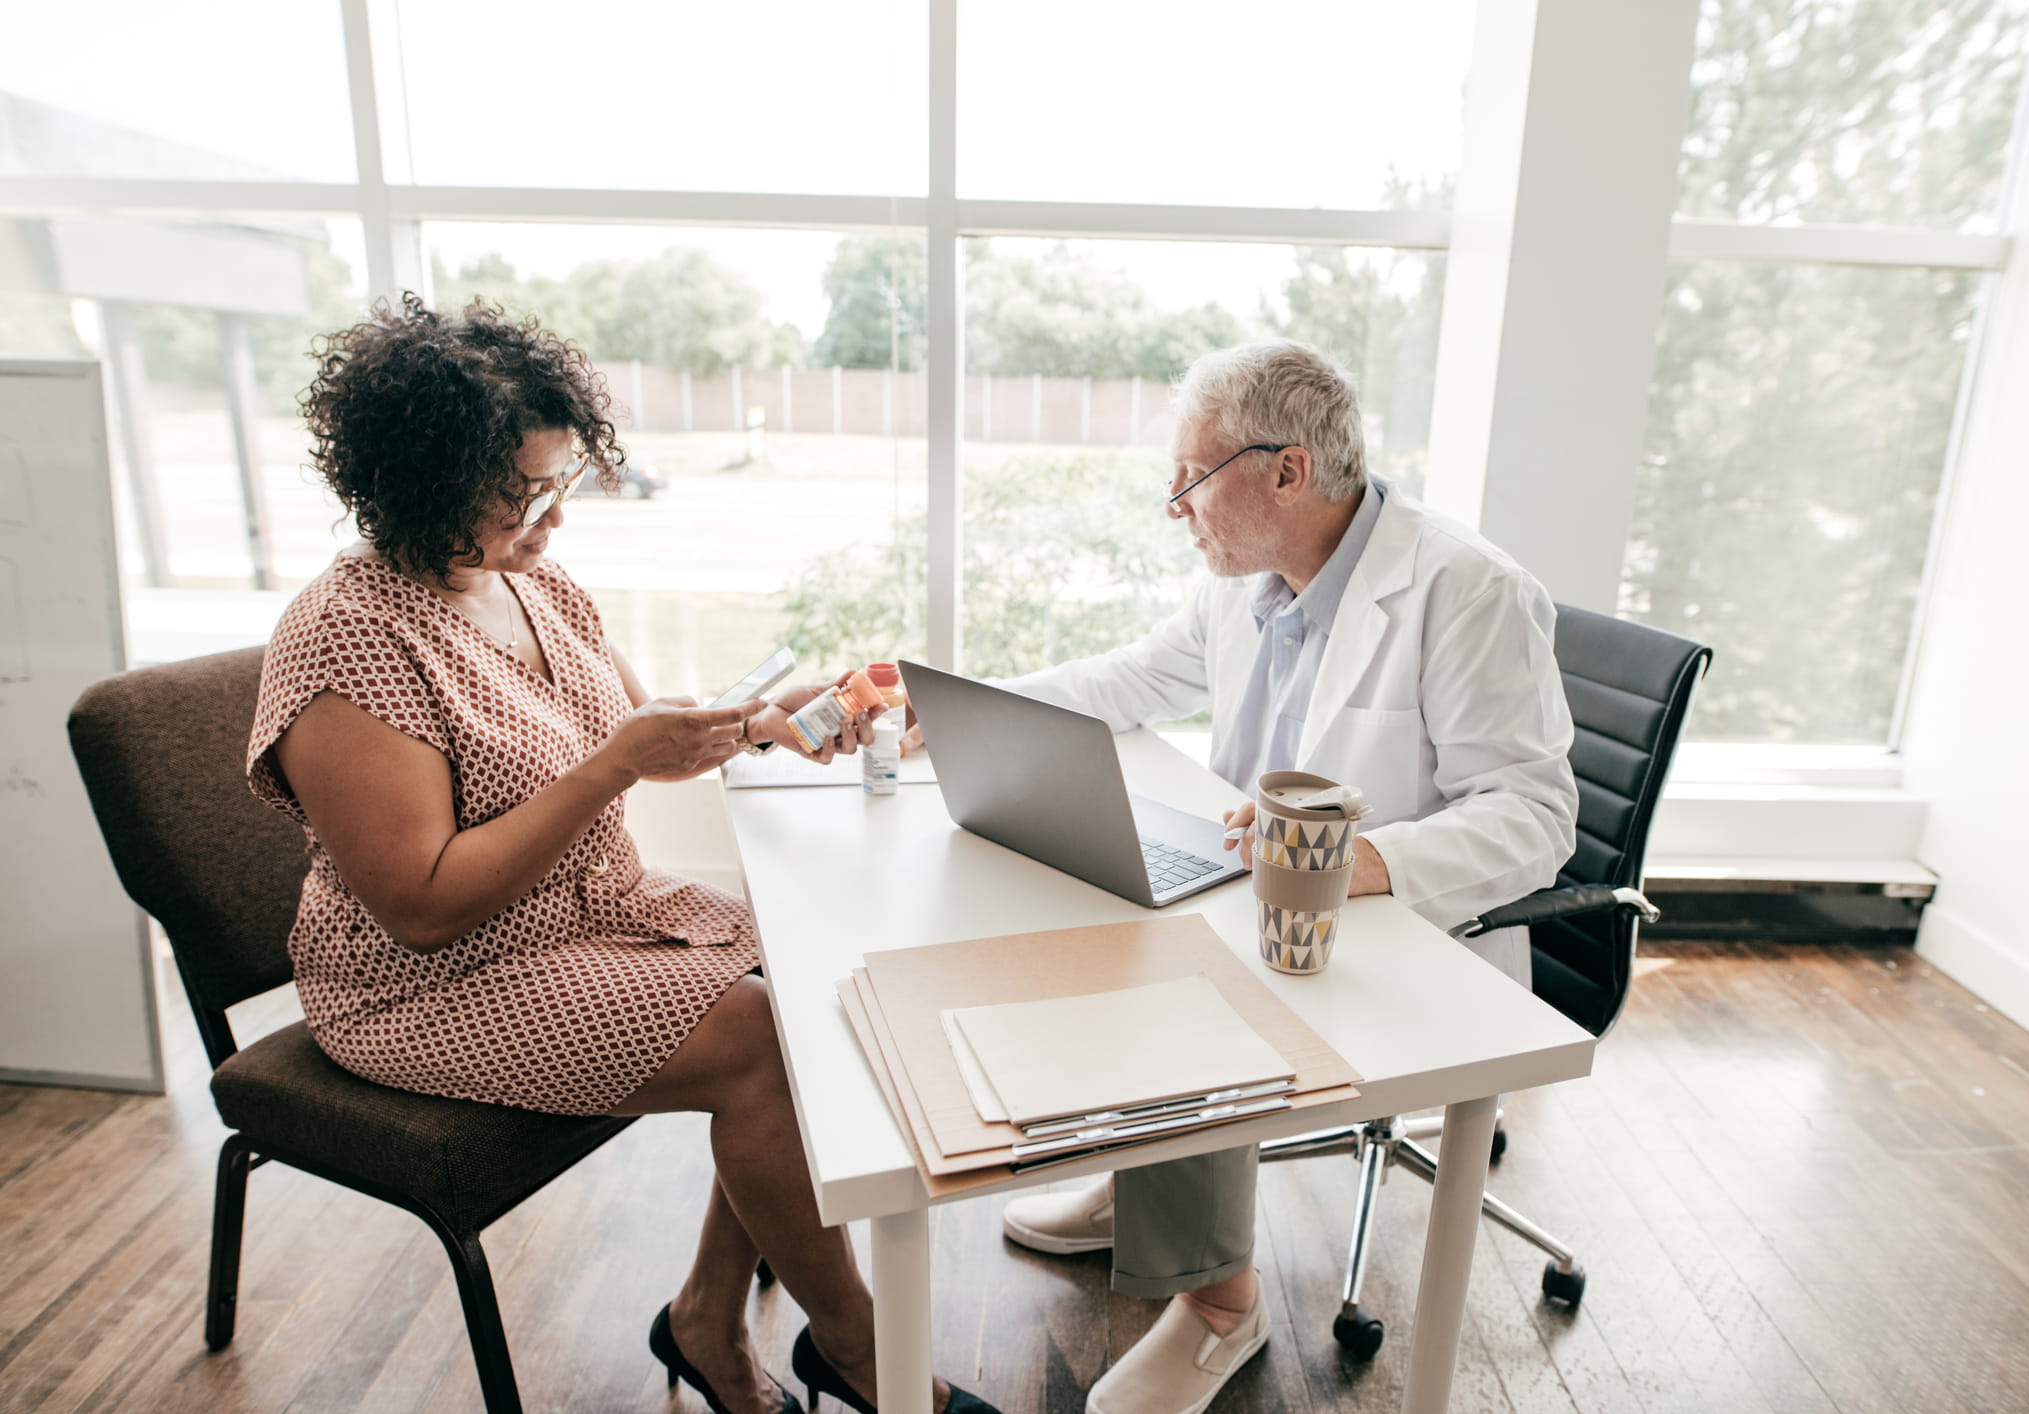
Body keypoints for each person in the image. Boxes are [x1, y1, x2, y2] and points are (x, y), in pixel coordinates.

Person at [247, 296, 995, 1414]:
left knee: (829, 970)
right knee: (762, 1041)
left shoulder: (528, 580)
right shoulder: (348, 637)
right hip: (429, 985)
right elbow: (422, 904)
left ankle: (704, 1317)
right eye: (520, 494)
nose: (552, 518)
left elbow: (649, 743)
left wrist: (766, 716)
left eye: (560, 482)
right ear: (422, 480)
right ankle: (861, 1352)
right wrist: (608, 768)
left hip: (588, 917)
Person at [968, 340, 1578, 1414]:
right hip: (1250, 893)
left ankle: (1219, 1306)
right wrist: (956, 703)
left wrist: (1347, 860)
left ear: (1287, 471)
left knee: (1179, 981)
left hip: (1401, 941)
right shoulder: (1252, 584)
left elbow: (1534, 818)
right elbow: (1133, 676)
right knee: (1093, 904)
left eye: (1191, 478)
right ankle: (1145, 1173)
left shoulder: (1466, 589)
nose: (1173, 504)